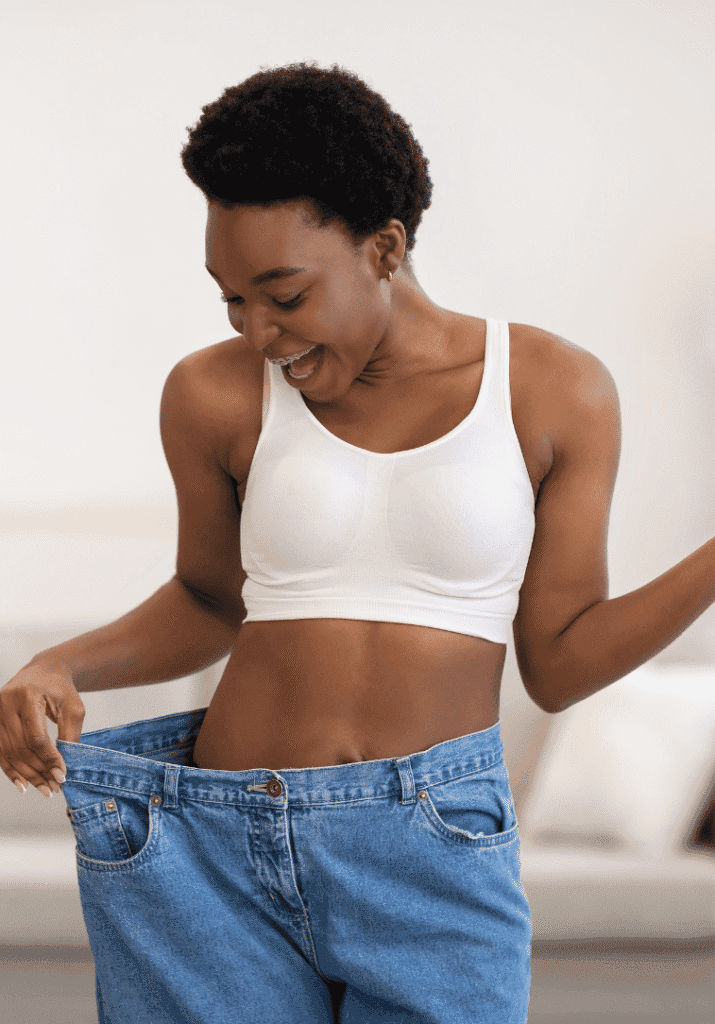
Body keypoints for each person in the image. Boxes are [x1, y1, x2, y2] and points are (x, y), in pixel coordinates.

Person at [2, 60, 714, 1024]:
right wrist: (58, 660)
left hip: (428, 843)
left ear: (384, 247)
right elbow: (209, 600)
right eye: (229, 299)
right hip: (207, 841)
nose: (257, 330)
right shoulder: (210, 395)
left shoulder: (552, 389)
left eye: (284, 295)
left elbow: (558, 660)